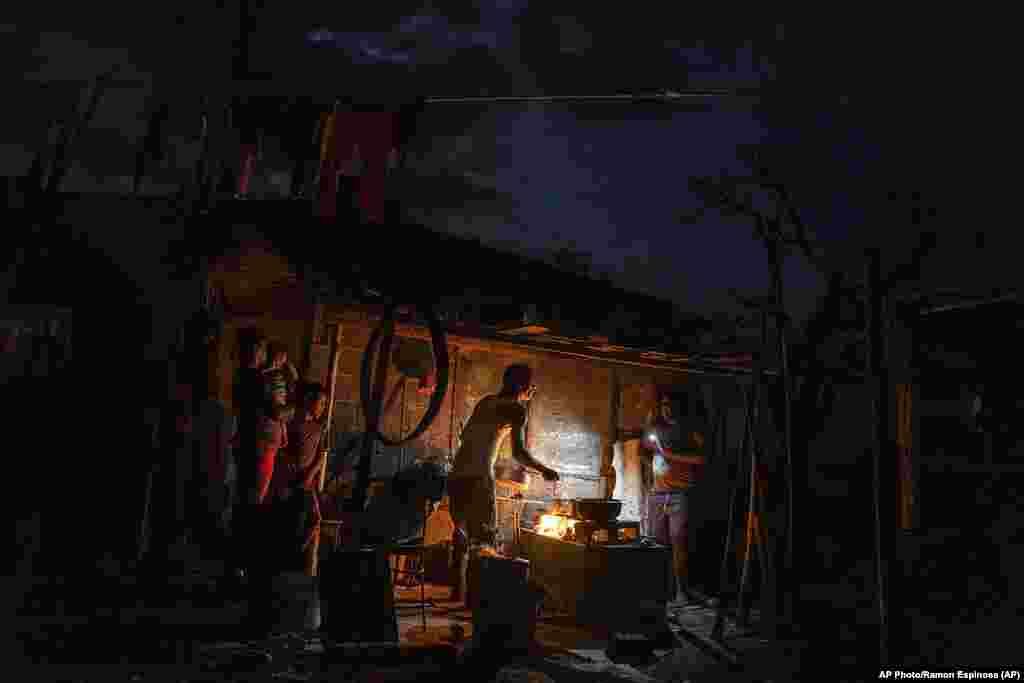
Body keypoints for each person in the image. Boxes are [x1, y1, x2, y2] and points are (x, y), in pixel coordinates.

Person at [447, 364, 559, 602]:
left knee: (462, 533)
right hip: (478, 476)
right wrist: (544, 469)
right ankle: (480, 603)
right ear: (521, 386)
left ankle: (457, 593)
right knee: (485, 541)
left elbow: (466, 436)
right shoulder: (517, 409)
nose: (532, 389)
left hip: (457, 474)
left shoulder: (486, 401)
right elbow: (519, 453)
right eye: (530, 385)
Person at [645, 391, 708, 604]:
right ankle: (659, 590)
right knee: (656, 544)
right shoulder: (656, 429)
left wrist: (669, 456)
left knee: (678, 543)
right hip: (657, 494)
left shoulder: (690, 430)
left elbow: (701, 459)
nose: (666, 409)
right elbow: (646, 453)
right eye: (663, 404)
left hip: (679, 495)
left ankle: (681, 591)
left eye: (670, 405)